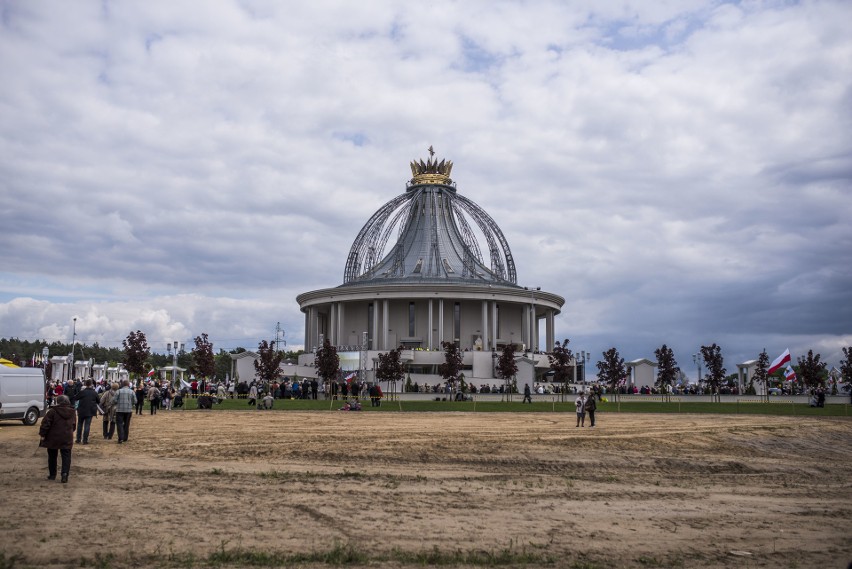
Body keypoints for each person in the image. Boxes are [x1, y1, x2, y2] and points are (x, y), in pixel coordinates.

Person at [39, 394, 76, 483]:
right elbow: (74, 425)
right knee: (66, 456)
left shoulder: (52, 411)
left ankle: (52, 474)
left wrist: (42, 434)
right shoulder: (72, 412)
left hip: (53, 437)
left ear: (58, 401)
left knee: (52, 456)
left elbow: (45, 423)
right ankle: (64, 474)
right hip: (67, 436)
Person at [74, 379, 100, 445]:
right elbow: (98, 401)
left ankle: (78, 439)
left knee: (80, 424)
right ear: (91, 384)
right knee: (87, 425)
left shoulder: (82, 392)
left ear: (85, 384)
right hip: (90, 410)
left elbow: (76, 398)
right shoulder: (94, 392)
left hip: (82, 410)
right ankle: (85, 440)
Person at [114, 379, 135, 443]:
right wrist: (131, 403)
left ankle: (120, 438)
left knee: (119, 424)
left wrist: (117, 403)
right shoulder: (132, 392)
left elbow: (114, 400)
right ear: (128, 385)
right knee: (126, 424)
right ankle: (125, 437)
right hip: (128, 410)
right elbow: (135, 401)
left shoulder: (118, 391)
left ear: (122, 385)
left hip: (119, 410)